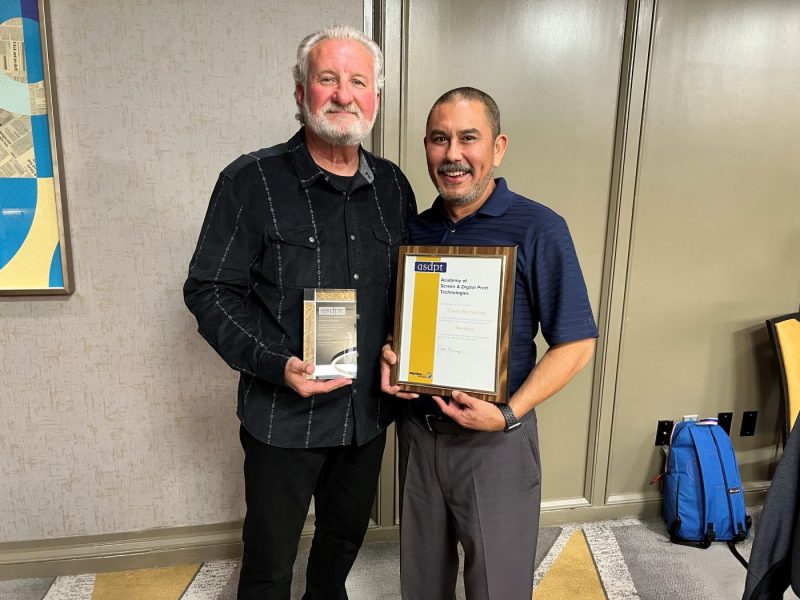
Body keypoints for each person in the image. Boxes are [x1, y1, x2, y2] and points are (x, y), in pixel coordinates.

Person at [184, 25, 416, 600]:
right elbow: (209, 289)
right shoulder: (250, 181)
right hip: (282, 417)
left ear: (376, 99)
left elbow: (409, 290)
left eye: (358, 81)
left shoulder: (393, 186)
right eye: (327, 79)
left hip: (366, 414)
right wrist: (275, 362)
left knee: (339, 551)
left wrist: (401, 349)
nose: (344, 94)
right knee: (268, 564)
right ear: (300, 93)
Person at [381, 87, 598, 600]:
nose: (452, 154)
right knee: (422, 585)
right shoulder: (413, 229)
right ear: (427, 148)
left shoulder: (540, 227)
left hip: (495, 441)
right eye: (439, 139)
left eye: (468, 138)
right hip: (419, 435)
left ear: (497, 148)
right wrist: (392, 353)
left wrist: (509, 412)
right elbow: (401, 325)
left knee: (496, 586)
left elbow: (576, 341)